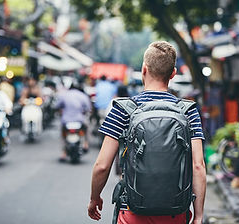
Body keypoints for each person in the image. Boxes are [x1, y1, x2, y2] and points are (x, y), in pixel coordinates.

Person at [88, 41, 206, 224]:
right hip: (176, 214)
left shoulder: (123, 109)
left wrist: (94, 198)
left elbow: (102, 166)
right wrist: (198, 215)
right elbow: (198, 165)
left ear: (144, 69)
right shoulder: (188, 111)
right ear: (173, 74)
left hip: (133, 213)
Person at [56, 81, 91, 160]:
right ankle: (86, 144)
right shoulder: (83, 96)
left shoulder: (64, 95)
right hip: (79, 120)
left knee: (63, 133)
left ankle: (64, 153)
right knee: (87, 128)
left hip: (66, 121)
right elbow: (88, 108)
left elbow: (57, 106)